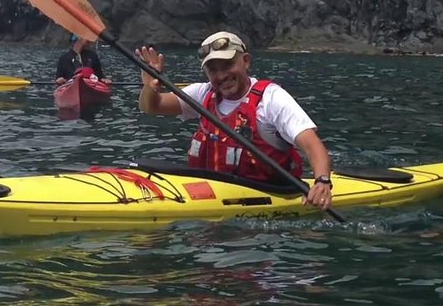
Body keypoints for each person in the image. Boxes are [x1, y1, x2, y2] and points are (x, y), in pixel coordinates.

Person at [135, 31, 333, 210]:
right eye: (213, 69)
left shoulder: (272, 99)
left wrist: (322, 181)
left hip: (270, 195)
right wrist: (150, 85)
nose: (221, 75)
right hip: (212, 194)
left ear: (246, 61)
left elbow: (311, 145)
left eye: (228, 65)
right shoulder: (202, 93)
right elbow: (151, 106)